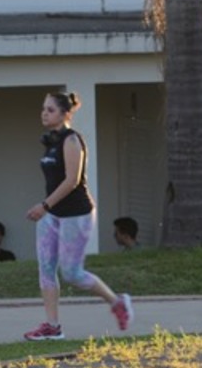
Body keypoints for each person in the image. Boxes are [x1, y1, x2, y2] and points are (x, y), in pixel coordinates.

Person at [23, 90, 133, 341]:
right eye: (43, 108)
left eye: (50, 110)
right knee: (46, 269)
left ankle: (118, 302)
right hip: (52, 214)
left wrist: (44, 206)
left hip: (76, 214)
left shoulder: (72, 141)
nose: (44, 113)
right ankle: (52, 326)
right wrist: (47, 209)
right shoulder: (50, 141)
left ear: (65, 114)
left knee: (72, 273)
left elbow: (72, 181)